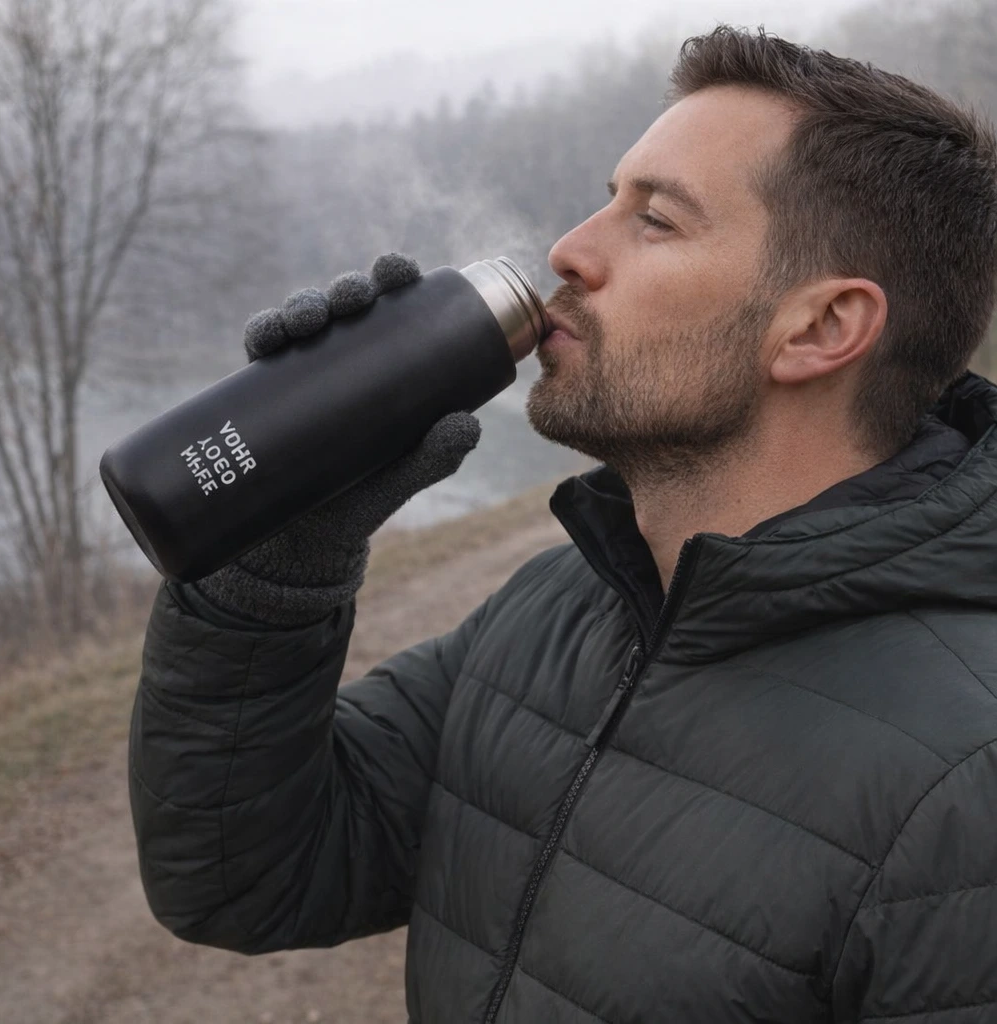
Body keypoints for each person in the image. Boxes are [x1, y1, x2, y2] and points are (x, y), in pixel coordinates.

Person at [128, 26, 997, 1023]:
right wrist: (274, 568)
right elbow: (247, 877)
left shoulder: (967, 784)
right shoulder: (553, 610)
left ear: (821, 327)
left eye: (655, 220)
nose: (571, 249)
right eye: (608, 199)